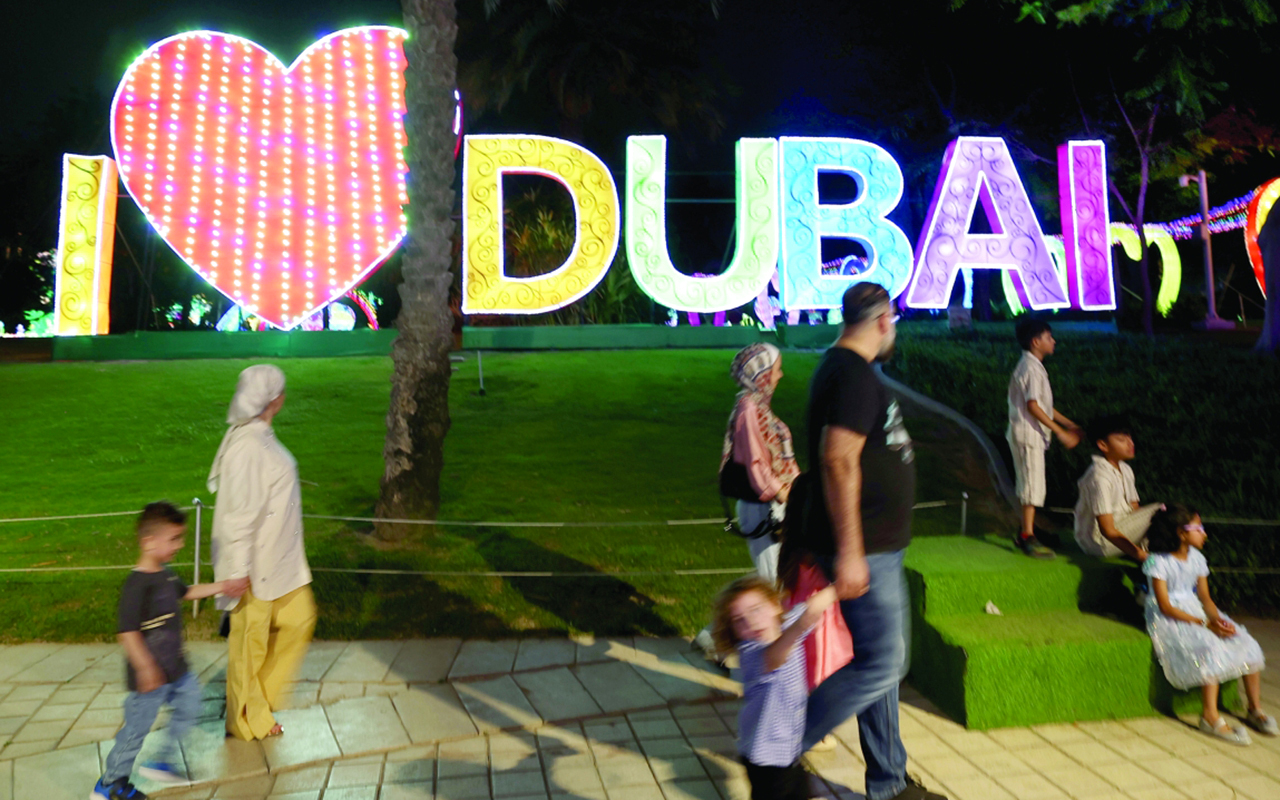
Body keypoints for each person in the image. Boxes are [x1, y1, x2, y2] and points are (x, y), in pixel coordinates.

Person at [799, 283, 945, 800]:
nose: (894, 331)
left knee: (877, 664)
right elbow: (838, 459)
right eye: (895, 323)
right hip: (866, 549)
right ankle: (776, 746)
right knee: (884, 663)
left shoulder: (844, 369)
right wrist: (851, 552)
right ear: (884, 320)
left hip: (876, 545)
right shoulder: (853, 374)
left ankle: (888, 781)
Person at [91, 502, 241, 799]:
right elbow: (127, 632)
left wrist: (223, 586)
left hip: (176, 671)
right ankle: (110, 784)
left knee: (189, 706)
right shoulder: (136, 585)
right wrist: (145, 667)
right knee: (135, 732)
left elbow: (188, 593)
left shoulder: (166, 575)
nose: (180, 544)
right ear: (149, 542)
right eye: (174, 539)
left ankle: (162, 762)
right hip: (149, 680)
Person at [209, 364, 316, 740]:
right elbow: (239, 515)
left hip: (280, 562)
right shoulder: (247, 447)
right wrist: (237, 571)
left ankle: (259, 702)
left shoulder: (259, 437)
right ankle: (243, 719)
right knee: (249, 644)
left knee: (300, 619)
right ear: (277, 400)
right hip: (253, 568)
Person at [1143, 504, 1275, 745]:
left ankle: (1254, 709)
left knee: (1245, 640)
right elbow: (1165, 606)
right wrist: (1204, 624)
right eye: (1199, 528)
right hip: (1170, 616)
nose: (1204, 533)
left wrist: (1217, 620)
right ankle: (1210, 717)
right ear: (1181, 533)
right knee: (1208, 646)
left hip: (1194, 608)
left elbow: (1204, 598)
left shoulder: (1197, 558)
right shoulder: (1157, 562)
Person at [712, 575, 838, 800]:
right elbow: (776, 655)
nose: (751, 622)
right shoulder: (751, 652)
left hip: (787, 749)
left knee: (801, 792)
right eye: (739, 620)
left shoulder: (786, 625)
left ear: (775, 605)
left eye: (756, 610)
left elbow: (812, 606)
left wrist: (839, 588)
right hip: (765, 758)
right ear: (734, 632)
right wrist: (800, 627)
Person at [720, 343, 801, 584]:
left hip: (774, 503)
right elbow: (756, 462)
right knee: (774, 582)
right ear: (762, 373)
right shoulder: (749, 408)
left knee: (783, 579)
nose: (780, 375)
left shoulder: (758, 406)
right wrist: (782, 493)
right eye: (777, 369)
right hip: (763, 507)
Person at [1007, 319, 1081, 558]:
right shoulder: (1031, 368)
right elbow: (1033, 406)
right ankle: (1027, 535)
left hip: (1028, 434)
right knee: (1031, 486)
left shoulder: (1032, 366)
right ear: (1035, 342)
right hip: (1028, 435)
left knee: (1031, 484)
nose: (1054, 341)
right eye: (1049, 337)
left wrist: (1068, 424)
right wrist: (1061, 431)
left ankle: (1028, 531)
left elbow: (1042, 405)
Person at [1073, 415, 1160, 561]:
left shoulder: (1125, 469)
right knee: (1161, 511)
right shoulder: (1099, 476)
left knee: (1164, 513)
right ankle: (1150, 560)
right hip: (1099, 543)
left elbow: (1135, 509)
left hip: (1122, 529)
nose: (1130, 444)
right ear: (1103, 445)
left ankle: (1158, 559)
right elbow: (1107, 530)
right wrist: (1141, 555)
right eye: (1122, 440)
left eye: (1130, 438)